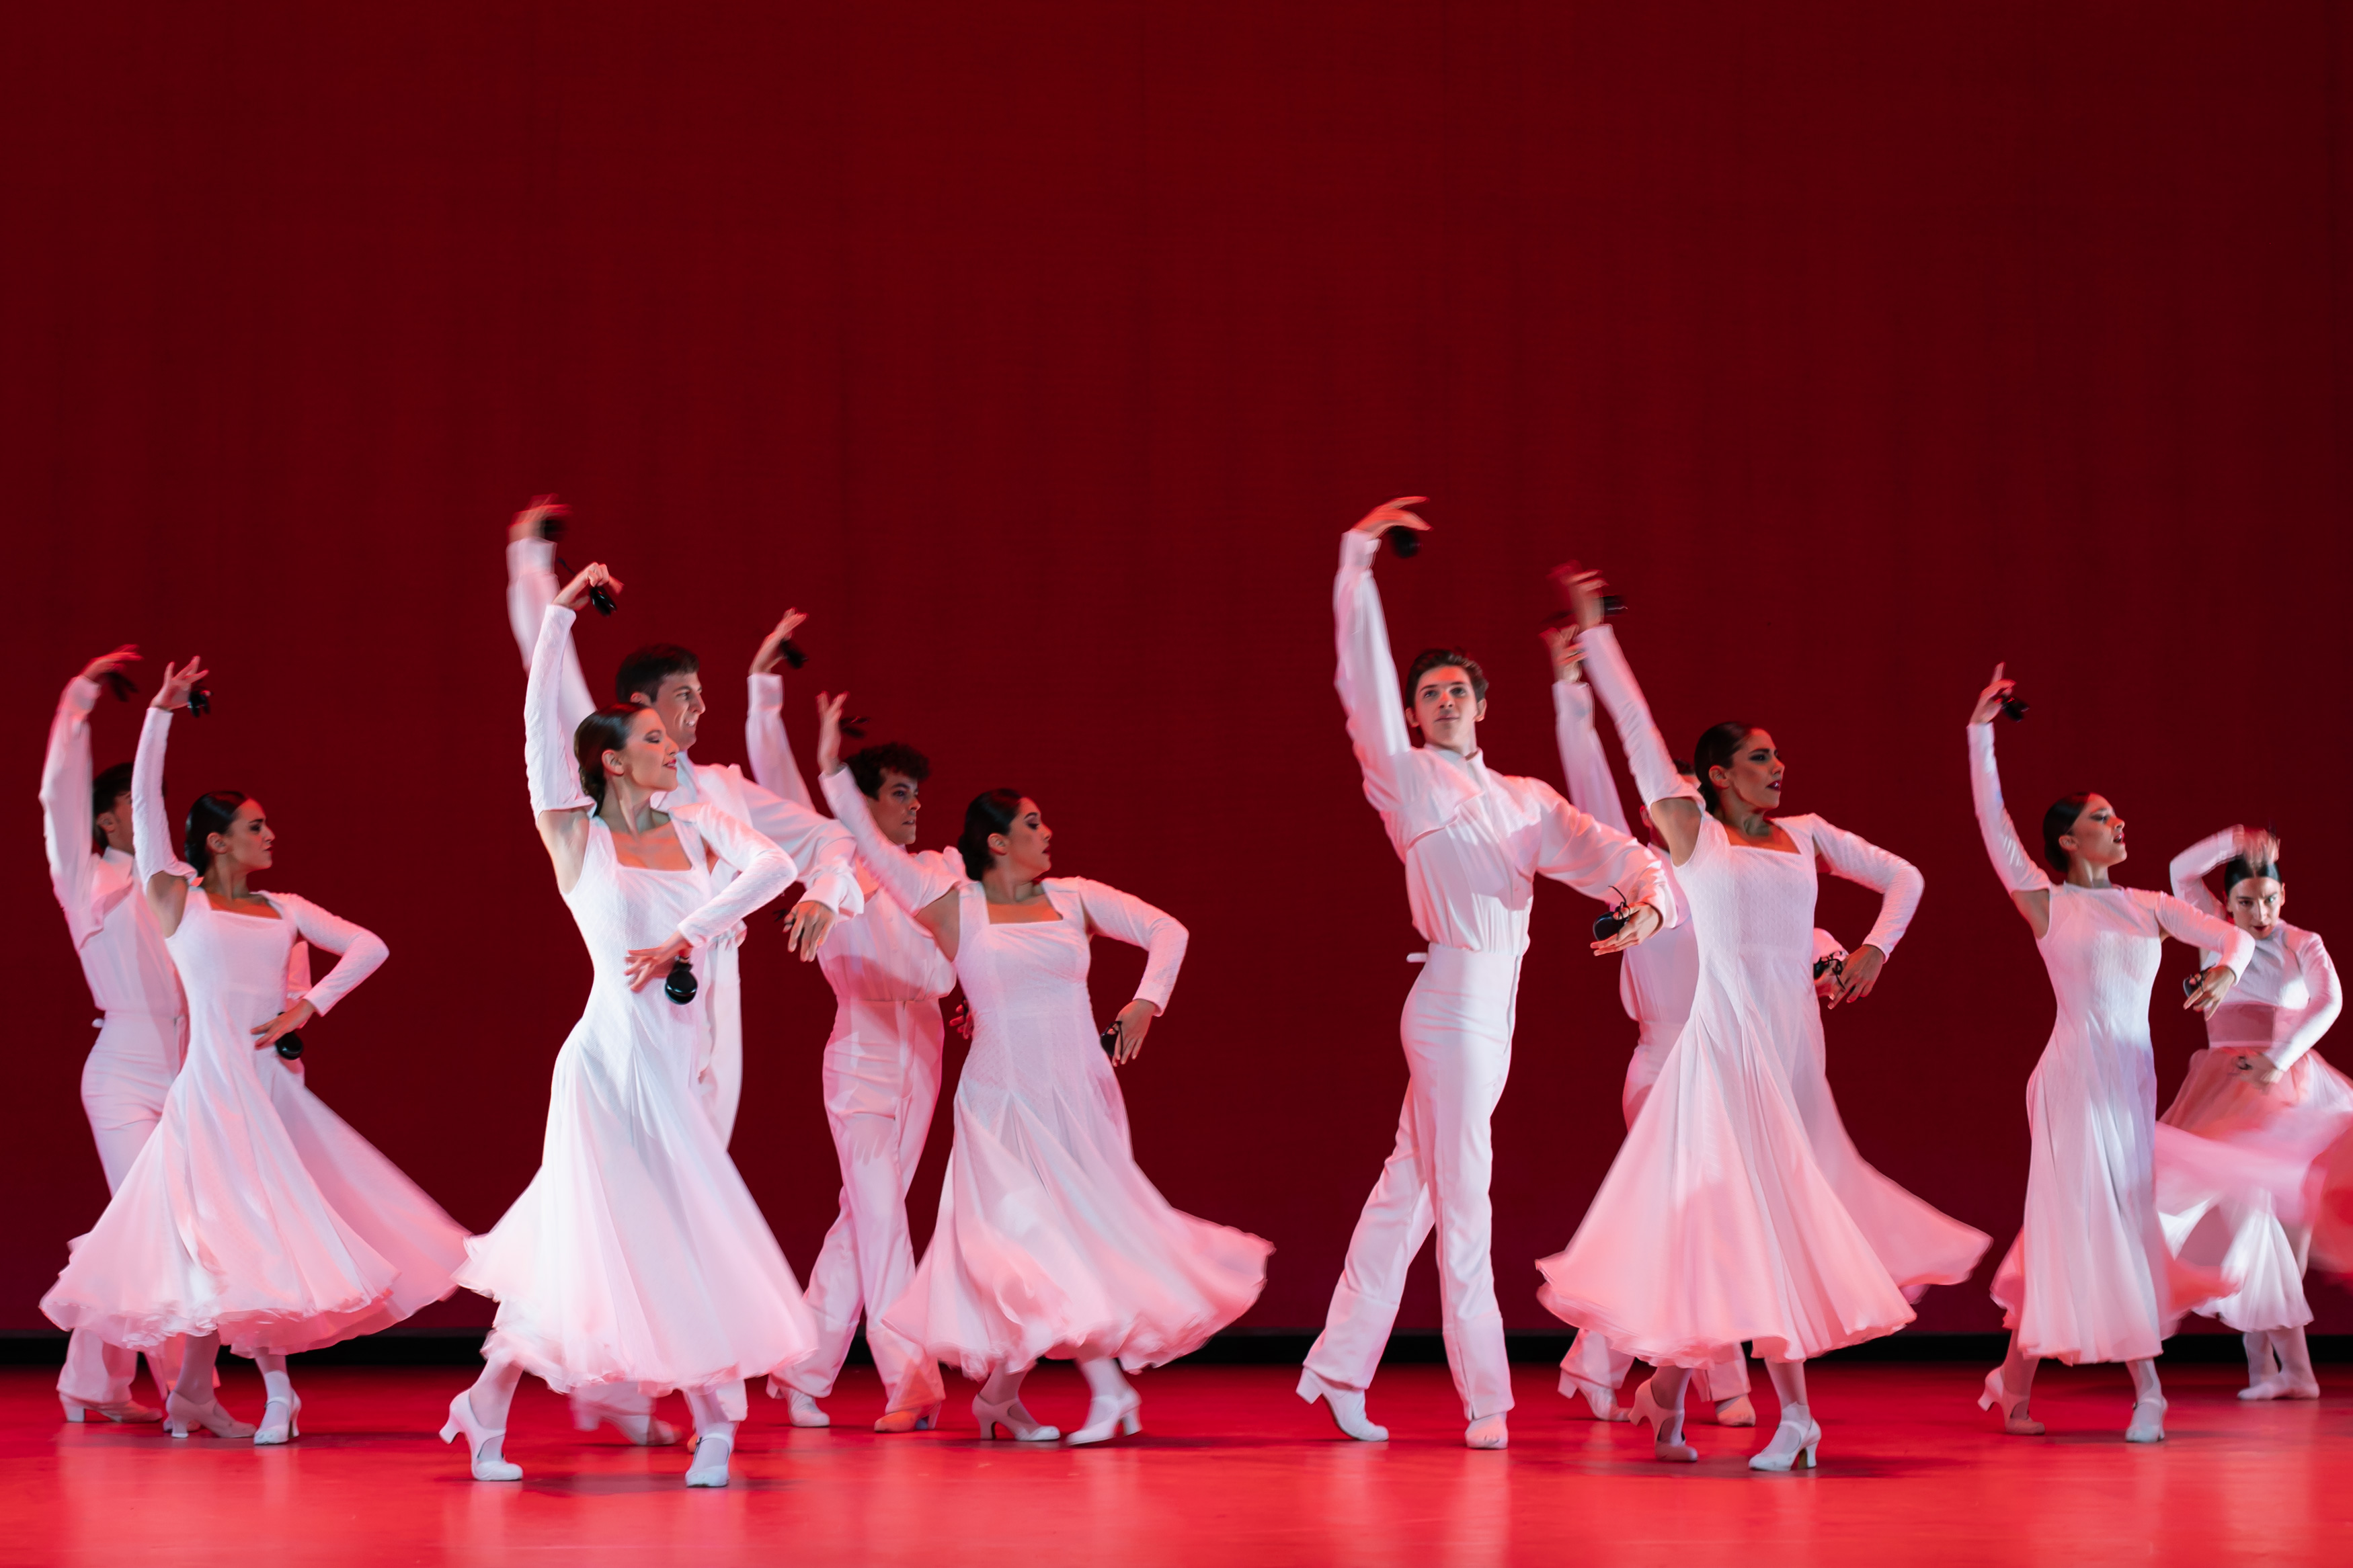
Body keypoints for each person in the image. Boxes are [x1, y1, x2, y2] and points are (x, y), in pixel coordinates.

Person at [1536, 569, 1986, 1471]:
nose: (1778, 769)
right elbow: (1636, 732)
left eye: (1777, 757)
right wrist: (1596, 637)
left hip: (1791, 1055)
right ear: (1713, 775)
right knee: (1742, 1239)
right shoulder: (1692, 834)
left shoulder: (1810, 833)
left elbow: (1909, 879)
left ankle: (1664, 1402)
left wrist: (1871, 951)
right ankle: (1798, 1418)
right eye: (1758, 759)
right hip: (1715, 1058)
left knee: (1744, 1240)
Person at [1301, 501, 1671, 1453]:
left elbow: (1618, 853)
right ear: (1416, 716)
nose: (1443, 700)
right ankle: (1489, 1401)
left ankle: (1339, 1369)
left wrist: (1646, 900)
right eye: (1430, 694)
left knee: (1409, 1192)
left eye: (1458, 689)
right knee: (1466, 1194)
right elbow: (1361, 681)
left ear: (1483, 703)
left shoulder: (1526, 800)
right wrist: (1358, 562)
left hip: (1493, 1014)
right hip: (1449, 1005)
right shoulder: (1406, 777)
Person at [812, 692, 1270, 1446]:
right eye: (1030, 822)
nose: (1046, 830)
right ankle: (1110, 1390)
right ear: (994, 841)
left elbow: (1168, 931)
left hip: (1078, 1095)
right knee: (1031, 1244)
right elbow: (871, 844)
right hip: (999, 1104)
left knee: (1076, 1244)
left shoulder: (1074, 898)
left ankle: (997, 1397)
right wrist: (831, 769)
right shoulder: (953, 905)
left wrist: (1145, 1002)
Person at [445, 569, 820, 1488]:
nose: (671, 744)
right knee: (660, 1235)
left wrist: (684, 934)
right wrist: (560, 619)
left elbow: (773, 865)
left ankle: (485, 1404)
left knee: (652, 1237)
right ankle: (717, 1421)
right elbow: (538, 735)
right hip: (607, 1067)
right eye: (653, 736)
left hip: (675, 1064)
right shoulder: (579, 840)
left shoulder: (696, 826)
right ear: (612, 759)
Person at [42, 658, 468, 1445]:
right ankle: (182, 1389)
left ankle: (195, 1392)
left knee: (239, 1241)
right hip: (196, 1092)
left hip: (256, 1088)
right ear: (215, 840)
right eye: (256, 826)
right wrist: (161, 713)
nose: (273, 835)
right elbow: (145, 800)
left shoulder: (283, 905)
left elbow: (369, 946)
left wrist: (308, 1005)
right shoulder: (176, 896)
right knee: (188, 1240)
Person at [1544, 620, 1848, 1430]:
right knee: (1707, 1218)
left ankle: (1620, 1373)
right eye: (1666, 801)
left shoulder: (1723, 873)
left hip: (1732, 1070)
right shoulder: (1633, 879)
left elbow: (1784, 936)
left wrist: (1830, 955)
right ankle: (1720, 1385)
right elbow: (1588, 786)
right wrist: (1571, 689)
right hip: (1662, 1071)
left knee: (1687, 1230)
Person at [503, 499, 863, 1139]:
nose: (701, 707)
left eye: (702, 692)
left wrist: (827, 892)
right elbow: (547, 685)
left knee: (704, 1160)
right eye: (685, 695)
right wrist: (536, 567)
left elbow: (826, 839)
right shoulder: (606, 764)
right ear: (639, 709)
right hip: (636, 986)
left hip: (712, 984)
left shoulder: (719, 792)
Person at [1965, 664, 2256, 1443]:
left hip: (2127, 1081)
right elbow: (1993, 824)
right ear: (2068, 839)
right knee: (2106, 1224)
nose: (2119, 823)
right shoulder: (2046, 901)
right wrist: (1978, 733)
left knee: (2079, 1226)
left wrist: (2224, 967)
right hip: (2069, 1080)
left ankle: (2011, 1380)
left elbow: (2229, 932)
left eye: (2116, 814)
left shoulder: (2151, 908)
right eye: (2103, 817)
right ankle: (2147, 1390)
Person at [743, 608, 954, 1432]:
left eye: (917, 795)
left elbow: (955, 947)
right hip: (862, 1056)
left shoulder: (935, 866)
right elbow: (775, 789)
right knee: (879, 1211)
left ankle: (800, 1371)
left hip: (926, 1055)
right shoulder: (833, 853)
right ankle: (912, 1375)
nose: (914, 808)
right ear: (862, 799)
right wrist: (765, 688)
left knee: (865, 1215)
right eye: (900, 794)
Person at [40, 646, 190, 1422]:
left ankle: (88, 1381)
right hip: (123, 1067)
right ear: (106, 818)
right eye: (135, 800)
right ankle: (179, 1389)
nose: (150, 808)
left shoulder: (181, 882)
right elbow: (56, 790)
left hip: (190, 1067)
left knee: (163, 1226)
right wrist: (82, 696)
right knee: (151, 1222)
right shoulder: (84, 877)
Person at [2157, 826, 2346, 1400]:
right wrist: (2238, 839)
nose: (2259, 912)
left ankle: (2286, 1370)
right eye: (2245, 901)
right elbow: (2180, 872)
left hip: (2283, 1086)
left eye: (2268, 899)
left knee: (2279, 1231)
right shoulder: (2216, 933)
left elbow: (2330, 1000)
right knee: (2245, 1224)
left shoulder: (2302, 942)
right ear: (2227, 901)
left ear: (2283, 896)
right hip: (2224, 1084)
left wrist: (2278, 1057)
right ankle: (2274, 1368)